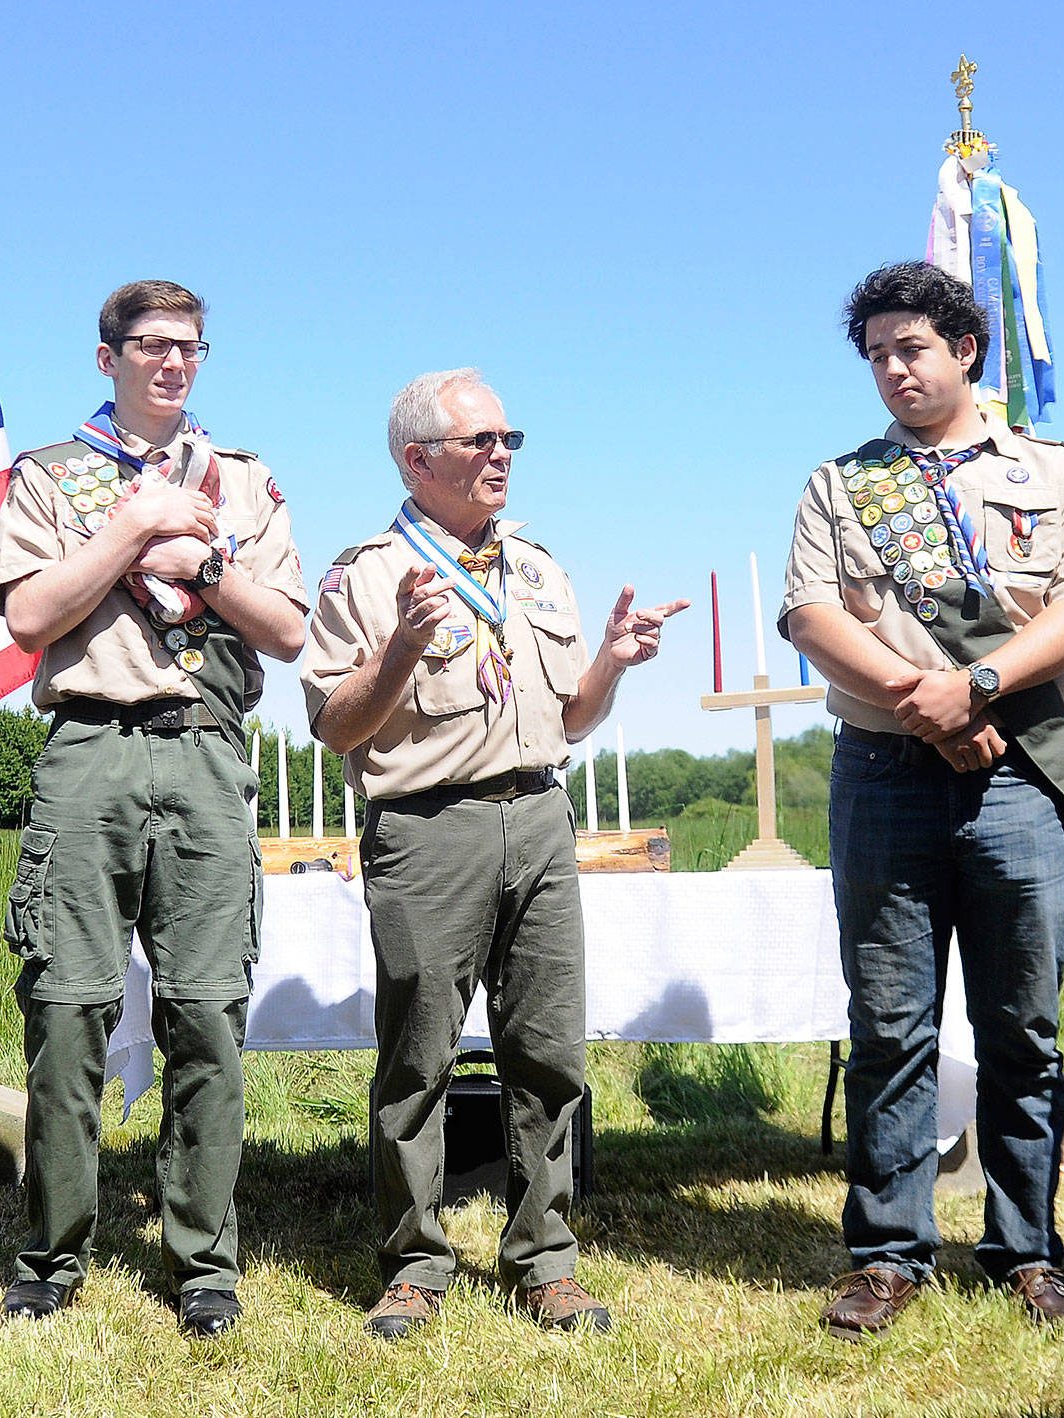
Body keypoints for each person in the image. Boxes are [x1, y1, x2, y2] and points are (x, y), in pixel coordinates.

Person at [302, 368, 684, 1339]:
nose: (501, 454)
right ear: (416, 458)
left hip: (539, 818)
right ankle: (413, 1257)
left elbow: (570, 717)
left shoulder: (536, 566)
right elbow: (335, 727)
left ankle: (542, 1256)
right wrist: (396, 652)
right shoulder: (365, 574)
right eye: (479, 441)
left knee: (548, 1049)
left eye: (510, 438)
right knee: (418, 1053)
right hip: (430, 827)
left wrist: (611, 658)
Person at [781, 261, 1064, 1340]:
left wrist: (973, 683)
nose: (890, 369)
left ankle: (1026, 1251)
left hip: (1016, 772)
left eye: (909, 348)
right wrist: (924, 704)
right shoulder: (842, 483)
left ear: (963, 348)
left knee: (1021, 1026)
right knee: (889, 1024)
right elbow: (809, 616)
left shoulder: (1053, 472)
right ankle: (886, 1253)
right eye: (875, 353)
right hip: (882, 774)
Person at [0, 280, 307, 1338]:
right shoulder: (51, 477)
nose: (173, 363)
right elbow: (30, 614)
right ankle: (52, 1249)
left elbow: (288, 631)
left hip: (206, 755)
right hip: (90, 750)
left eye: (190, 347)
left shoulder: (243, 479)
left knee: (207, 1012)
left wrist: (202, 564)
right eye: (152, 346)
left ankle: (202, 1261)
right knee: (68, 1008)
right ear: (106, 357)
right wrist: (131, 529)